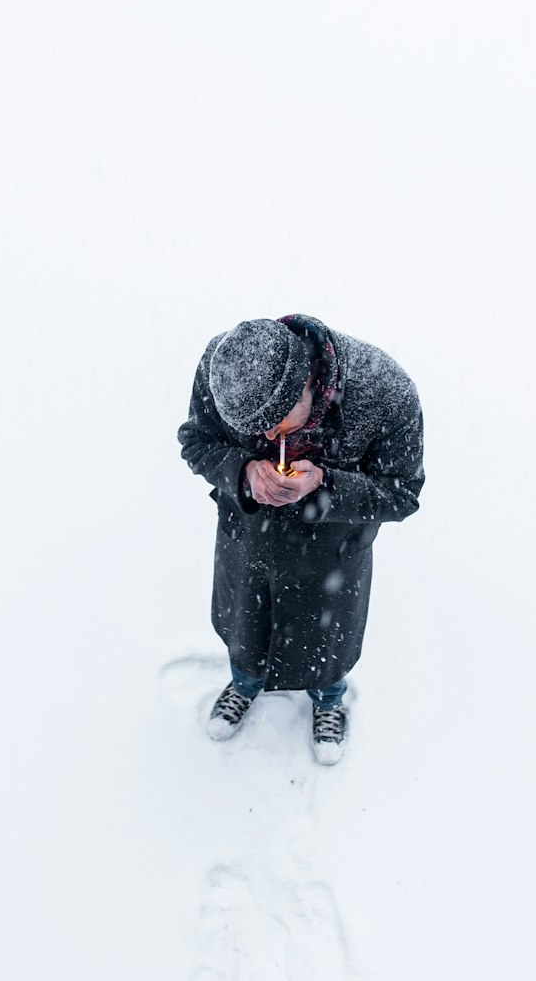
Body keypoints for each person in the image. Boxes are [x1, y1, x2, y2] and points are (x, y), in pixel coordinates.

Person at [177, 314, 424, 765]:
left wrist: (326, 488)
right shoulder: (224, 366)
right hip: (249, 544)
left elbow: (402, 494)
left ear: (307, 382)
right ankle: (244, 683)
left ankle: (329, 700)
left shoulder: (385, 390)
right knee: (246, 635)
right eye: (255, 431)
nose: (269, 438)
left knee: (325, 649)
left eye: (276, 423)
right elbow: (196, 440)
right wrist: (244, 471)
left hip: (331, 558)